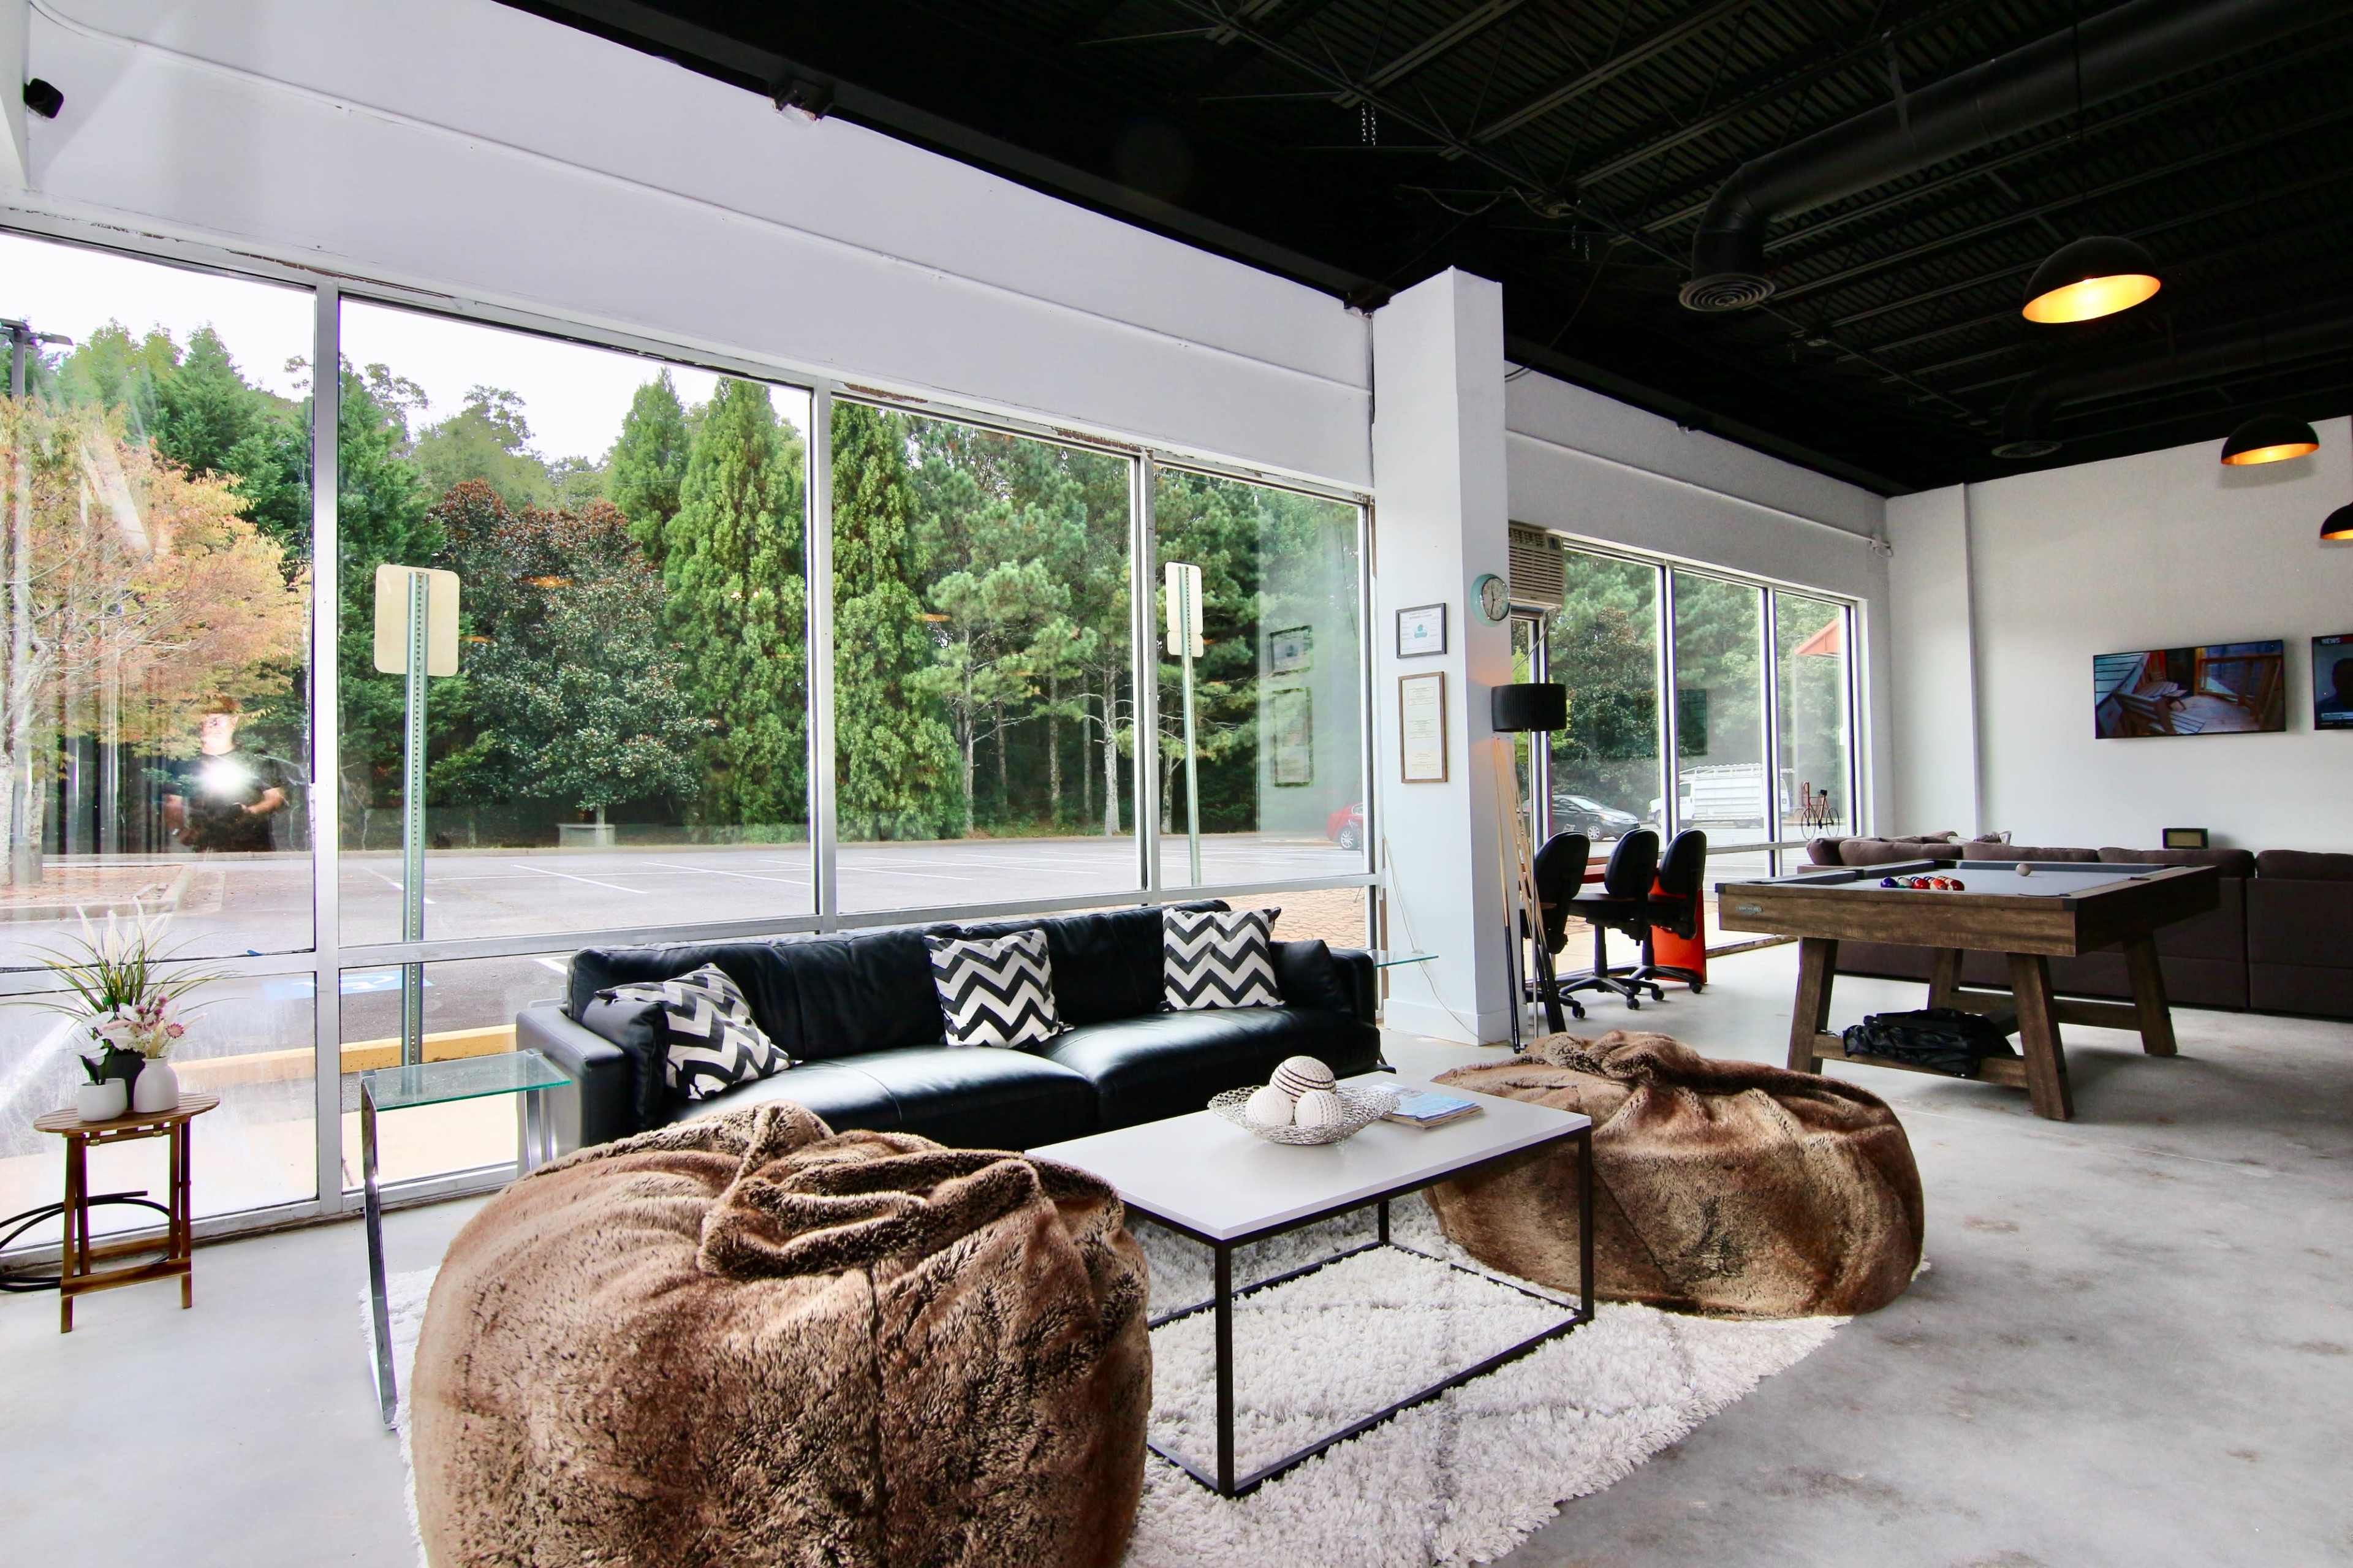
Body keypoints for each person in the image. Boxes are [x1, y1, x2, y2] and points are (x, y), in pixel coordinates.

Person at [162, 699, 288, 853]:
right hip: (205, 848)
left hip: (253, 848)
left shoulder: (255, 758)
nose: (212, 726)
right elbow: (172, 804)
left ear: (234, 721)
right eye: (206, 721)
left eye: (219, 720)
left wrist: (249, 812)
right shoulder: (184, 762)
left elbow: (276, 798)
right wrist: (181, 832)